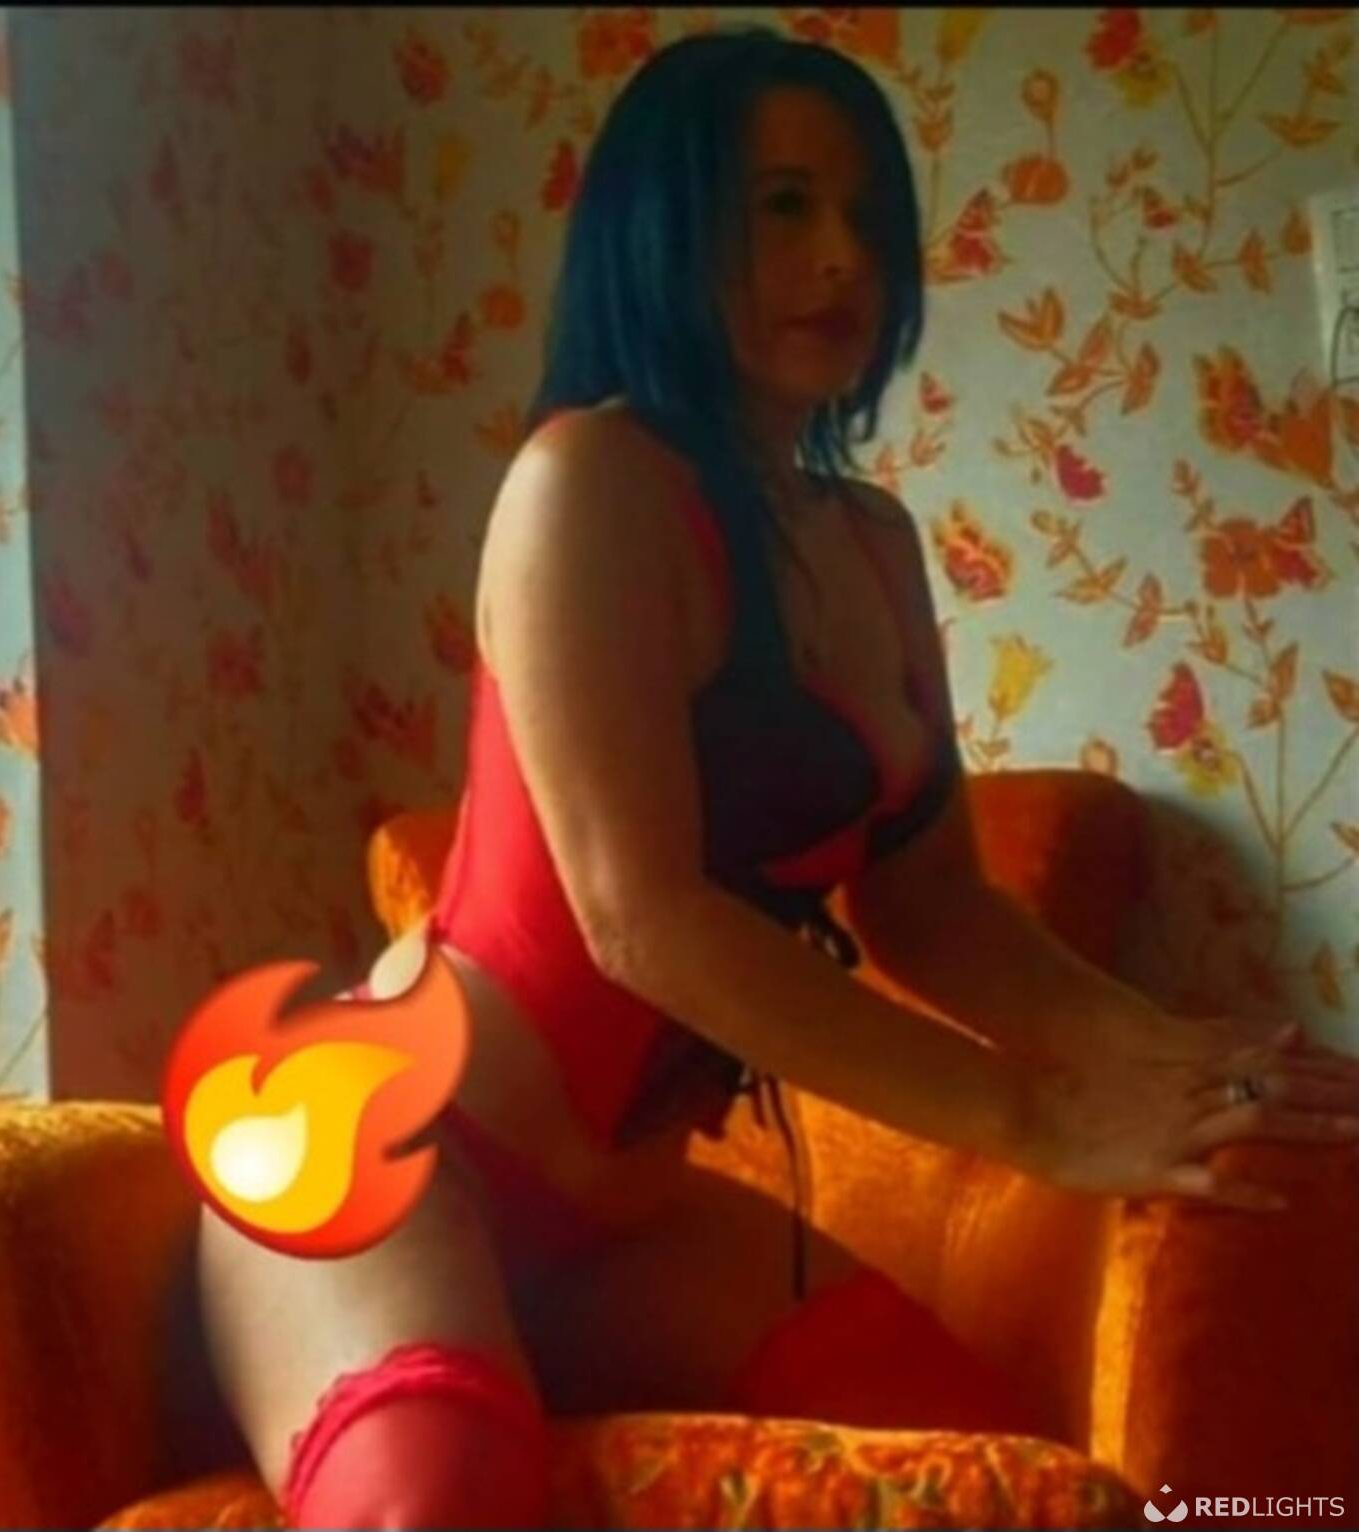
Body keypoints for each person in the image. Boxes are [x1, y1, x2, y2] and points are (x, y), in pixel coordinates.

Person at [197, 24, 1359, 1531]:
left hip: (630, 1226)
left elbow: (935, 912)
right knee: (432, 1504)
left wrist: (1184, 1064)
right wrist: (1035, 1118)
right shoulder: (587, 480)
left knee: (1011, 1487)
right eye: (783, 206)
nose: (842, 258)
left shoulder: (872, 541)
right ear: (664, 230)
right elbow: (641, 920)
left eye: (868, 214)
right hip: (401, 1154)